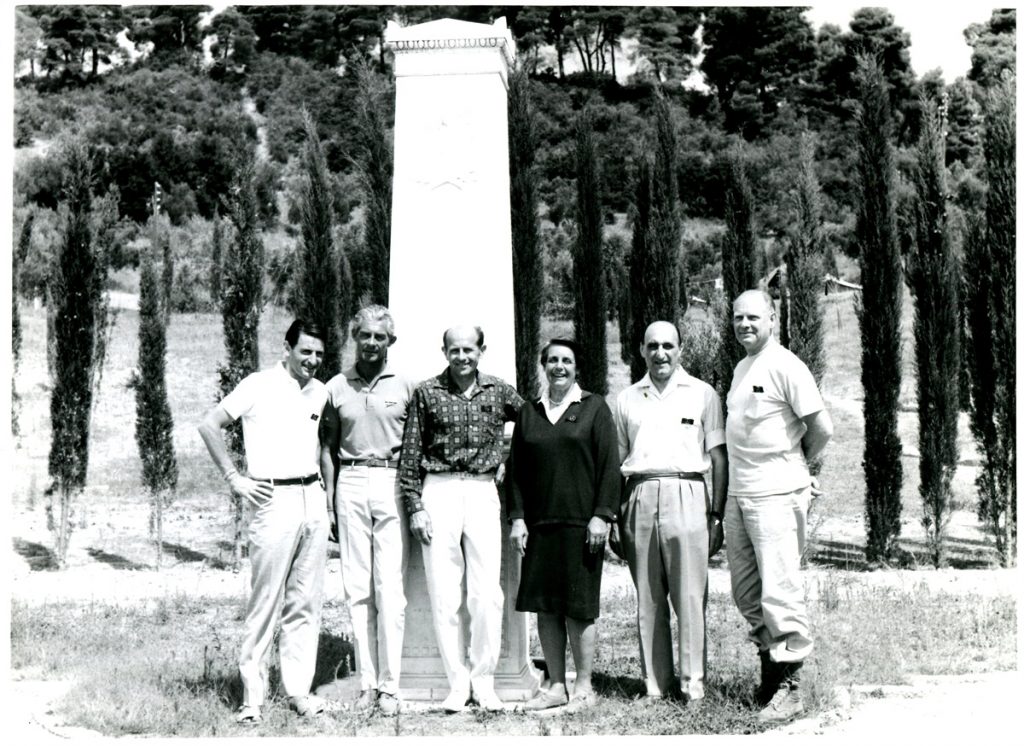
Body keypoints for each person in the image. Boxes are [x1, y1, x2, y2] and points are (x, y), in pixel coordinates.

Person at [197, 319, 330, 725]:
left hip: (312, 498)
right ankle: (252, 699)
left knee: (305, 602)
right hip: (273, 499)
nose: (312, 360)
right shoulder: (258, 385)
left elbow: (321, 445)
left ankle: (298, 691)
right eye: (305, 351)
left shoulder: (320, 391)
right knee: (266, 601)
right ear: (287, 349)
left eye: (319, 354)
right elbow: (209, 425)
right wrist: (234, 478)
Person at [398, 325, 524, 713]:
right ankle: (457, 683)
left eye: (469, 349)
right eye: (455, 350)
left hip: (483, 492)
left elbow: (535, 428)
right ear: (445, 352)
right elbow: (411, 452)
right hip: (439, 490)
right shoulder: (427, 392)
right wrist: (415, 506)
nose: (462, 357)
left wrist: (508, 460)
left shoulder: (499, 391)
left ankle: (484, 682)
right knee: (444, 593)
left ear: (481, 350)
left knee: (487, 595)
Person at [725, 290, 833, 724]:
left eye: (753, 317)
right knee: (746, 591)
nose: (745, 324)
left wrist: (797, 467)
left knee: (780, 590)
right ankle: (771, 672)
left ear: (772, 318)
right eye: (738, 318)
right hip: (740, 494)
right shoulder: (742, 367)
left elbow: (821, 427)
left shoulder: (786, 364)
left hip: (776, 493)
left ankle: (791, 688)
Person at [610, 320, 728, 705]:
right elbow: (616, 461)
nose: (660, 353)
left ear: (680, 350)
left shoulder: (703, 394)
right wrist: (614, 516)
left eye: (668, 346)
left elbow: (719, 457)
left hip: (688, 492)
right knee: (649, 597)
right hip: (639, 493)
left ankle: (693, 686)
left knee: (690, 596)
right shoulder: (627, 399)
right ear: (641, 351)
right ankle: (656, 685)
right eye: (652, 346)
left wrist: (716, 515)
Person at [507, 339, 620, 711]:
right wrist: (518, 518)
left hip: (581, 525)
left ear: (576, 367)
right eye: (552, 360)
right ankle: (556, 686)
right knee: (546, 607)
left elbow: (609, 465)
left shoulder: (594, 407)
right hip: (540, 525)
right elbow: (516, 472)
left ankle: (584, 687)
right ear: (543, 366)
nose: (559, 366)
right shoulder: (529, 412)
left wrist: (602, 515)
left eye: (566, 360)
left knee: (578, 607)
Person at [319, 305, 416, 717]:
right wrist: (330, 500)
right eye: (365, 335)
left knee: (390, 588)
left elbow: (417, 443)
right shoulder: (336, 386)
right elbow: (327, 447)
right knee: (358, 588)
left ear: (390, 341)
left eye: (380, 336)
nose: (372, 343)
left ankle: (390, 687)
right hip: (352, 480)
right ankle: (367, 683)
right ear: (354, 337)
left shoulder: (407, 386)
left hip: (392, 480)